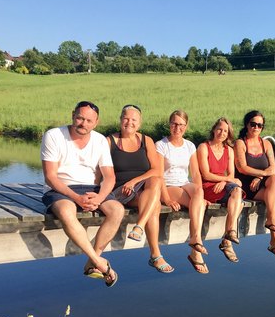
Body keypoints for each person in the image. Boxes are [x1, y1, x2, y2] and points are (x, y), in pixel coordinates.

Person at [41, 100, 124, 287]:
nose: (83, 124)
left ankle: (92, 261)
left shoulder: (100, 140)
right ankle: (99, 262)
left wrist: (100, 198)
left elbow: (109, 177)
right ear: (73, 115)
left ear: (96, 122)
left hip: (92, 188)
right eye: (79, 118)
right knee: (66, 211)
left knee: (117, 210)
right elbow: (50, 177)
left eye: (88, 120)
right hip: (60, 188)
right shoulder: (54, 135)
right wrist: (76, 198)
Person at [108, 104, 173, 273]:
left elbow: (157, 169)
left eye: (133, 119)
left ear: (140, 123)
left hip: (141, 190)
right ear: (120, 120)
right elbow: (102, 172)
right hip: (120, 191)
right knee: (155, 204)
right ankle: (155, 255)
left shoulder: (146, 140)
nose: (129, 122)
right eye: (126, 118)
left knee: (156, 179)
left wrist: (135, 181)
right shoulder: (110, 141)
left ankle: (140, 227)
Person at [156, 110, 209, 274]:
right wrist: (166, 198)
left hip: (184, 183)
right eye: (174, 123)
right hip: (168, 185)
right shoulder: (161, 145)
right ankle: (196, 247)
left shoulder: (189, 146)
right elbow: (158, 175)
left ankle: (195, 240)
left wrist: (201, 196)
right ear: (169, 124)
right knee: (197, 202)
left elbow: (195, 173)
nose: (177, 128)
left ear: (186, 126)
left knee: (198, 193)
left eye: (181, 124)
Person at [234, 110, 275, 256]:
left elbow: (272, 168)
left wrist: (260, 178)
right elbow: (242, 168)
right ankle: (274, 238)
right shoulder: (240, 143)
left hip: (262, 183)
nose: (256, 128)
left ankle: (270, 222)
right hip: (247, 186)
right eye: (253, 124)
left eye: (260, 125)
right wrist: (261, 174)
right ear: (247, 124)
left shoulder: (266, 143)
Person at [197, 118, 244, 263]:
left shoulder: (229, 150)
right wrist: (224, 180)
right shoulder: (203, 147)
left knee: (237, 192)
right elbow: (205, 174)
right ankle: (227, 240)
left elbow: (231, 175)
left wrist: (224, 181)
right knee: (239, 201)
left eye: (225, 131)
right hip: (206, 187)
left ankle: (229, 232)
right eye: (219, 129)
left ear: (228, 133)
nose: (222, 133)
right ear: (213, 130)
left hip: (222, 186)